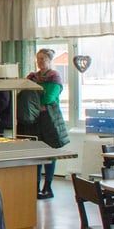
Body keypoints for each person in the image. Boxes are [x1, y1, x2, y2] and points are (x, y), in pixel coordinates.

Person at [27, 48, 68, 199]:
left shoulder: (54, 76)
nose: (40, 61)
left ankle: (48, 186)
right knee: (36, 153)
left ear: (50, 60)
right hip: (36, 119)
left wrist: (35, 104)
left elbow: (49, 97)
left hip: (50, 118)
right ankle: (35, 185)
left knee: (50, 153)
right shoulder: (33, 77)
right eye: (38, 58)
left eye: (43, 58)